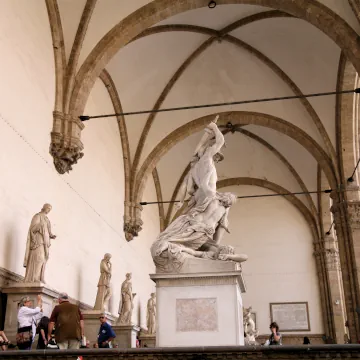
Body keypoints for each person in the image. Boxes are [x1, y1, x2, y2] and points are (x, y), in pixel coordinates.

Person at [24, 204, 56, 283]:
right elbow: (33, 229)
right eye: (48, 208)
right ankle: (33, 278)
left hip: (45, 243)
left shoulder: (47, 219)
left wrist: (51, 235)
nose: (48, 210)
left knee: (43, 259)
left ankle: (39, 277)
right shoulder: (38, 216)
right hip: (38, 241)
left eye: (50, 209)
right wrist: (40, 225)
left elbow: (48, 231)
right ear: (44, 207)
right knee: (39, 258)